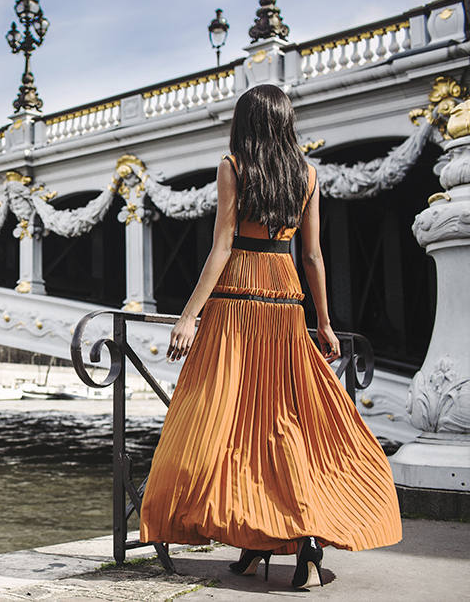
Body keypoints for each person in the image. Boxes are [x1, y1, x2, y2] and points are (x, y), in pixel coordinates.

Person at [138, 84, 402, 589]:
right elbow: (313, 257)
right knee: (282, 420)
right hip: (285, 304)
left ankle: (261, 535)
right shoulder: (307, 175)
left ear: (245, 123)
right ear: (285, 123)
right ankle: (279, 543)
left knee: (224, 422)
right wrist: (323, 323)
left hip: (237, 302)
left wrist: (188, 316)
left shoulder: (232, 166)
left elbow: (220, 247)